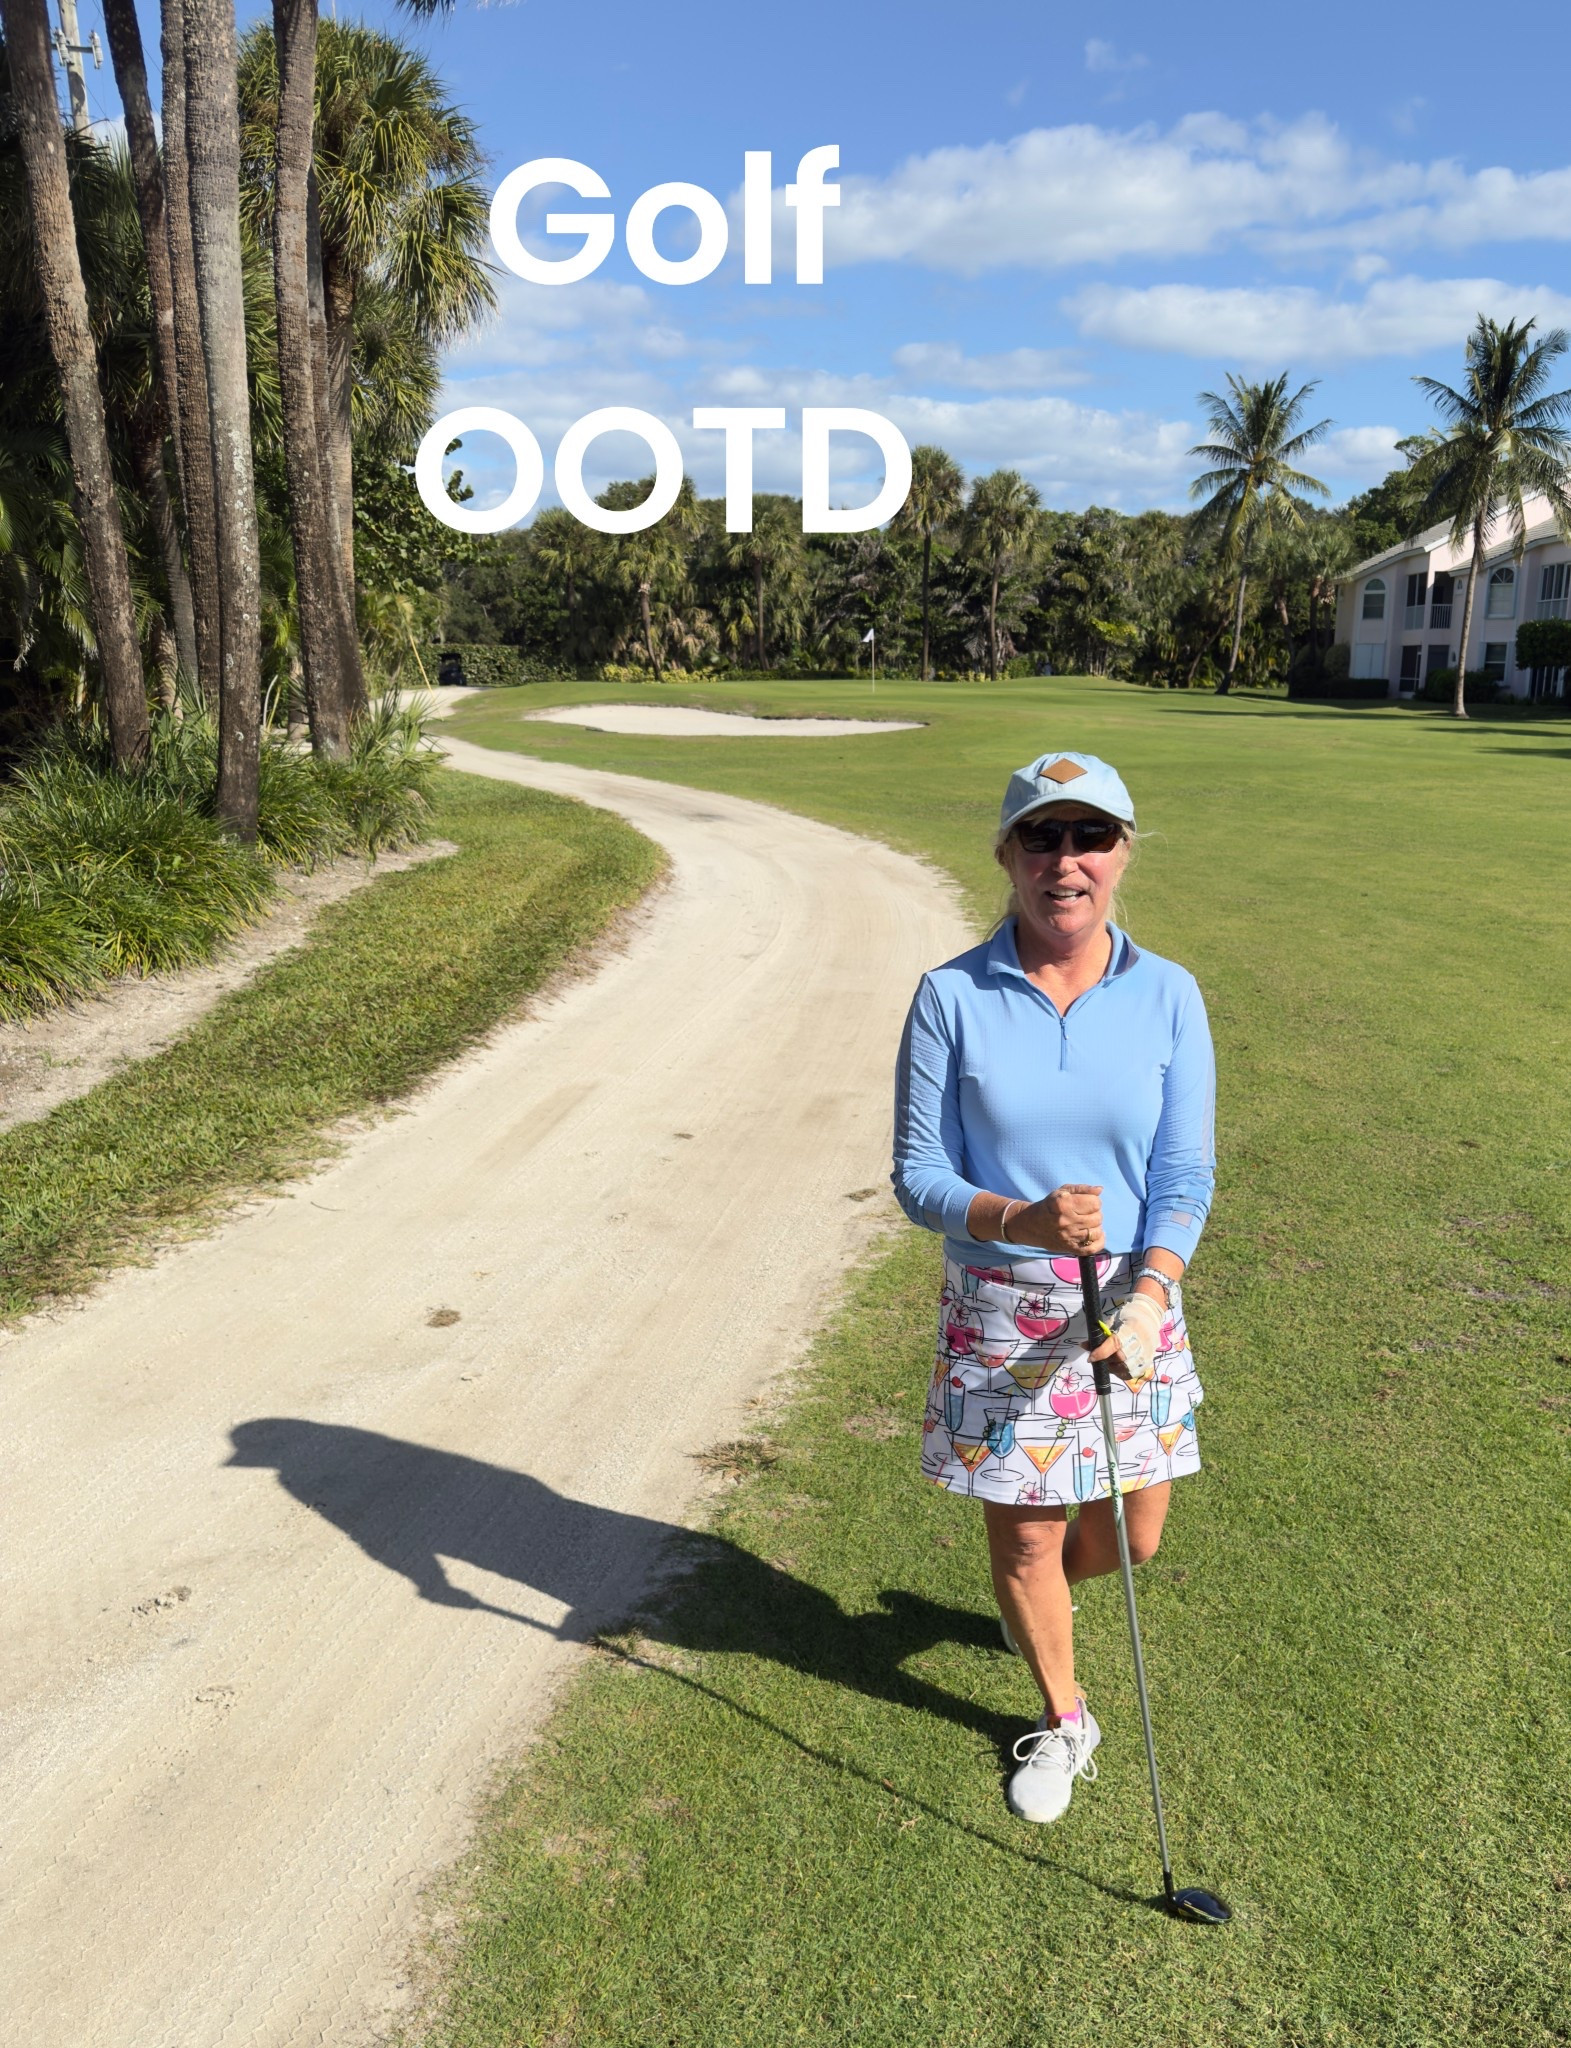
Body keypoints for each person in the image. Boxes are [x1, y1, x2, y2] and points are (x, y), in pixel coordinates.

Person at [892, 749, 1215, 1825]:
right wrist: (1014, 1218)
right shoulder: (949, 995)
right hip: (1000, 1307)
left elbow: (1182, 1175)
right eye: (1040, 836)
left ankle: (1030, 1605)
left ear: (1123, 853)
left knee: (1130, 1535)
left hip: (1131, 1302)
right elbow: (917, 1174)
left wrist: (1149, 1293)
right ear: (1005, 854)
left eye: (1089, 837)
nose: (1063, 861)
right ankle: (1064, 1712)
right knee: (1027, 1534)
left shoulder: (1167, 993)